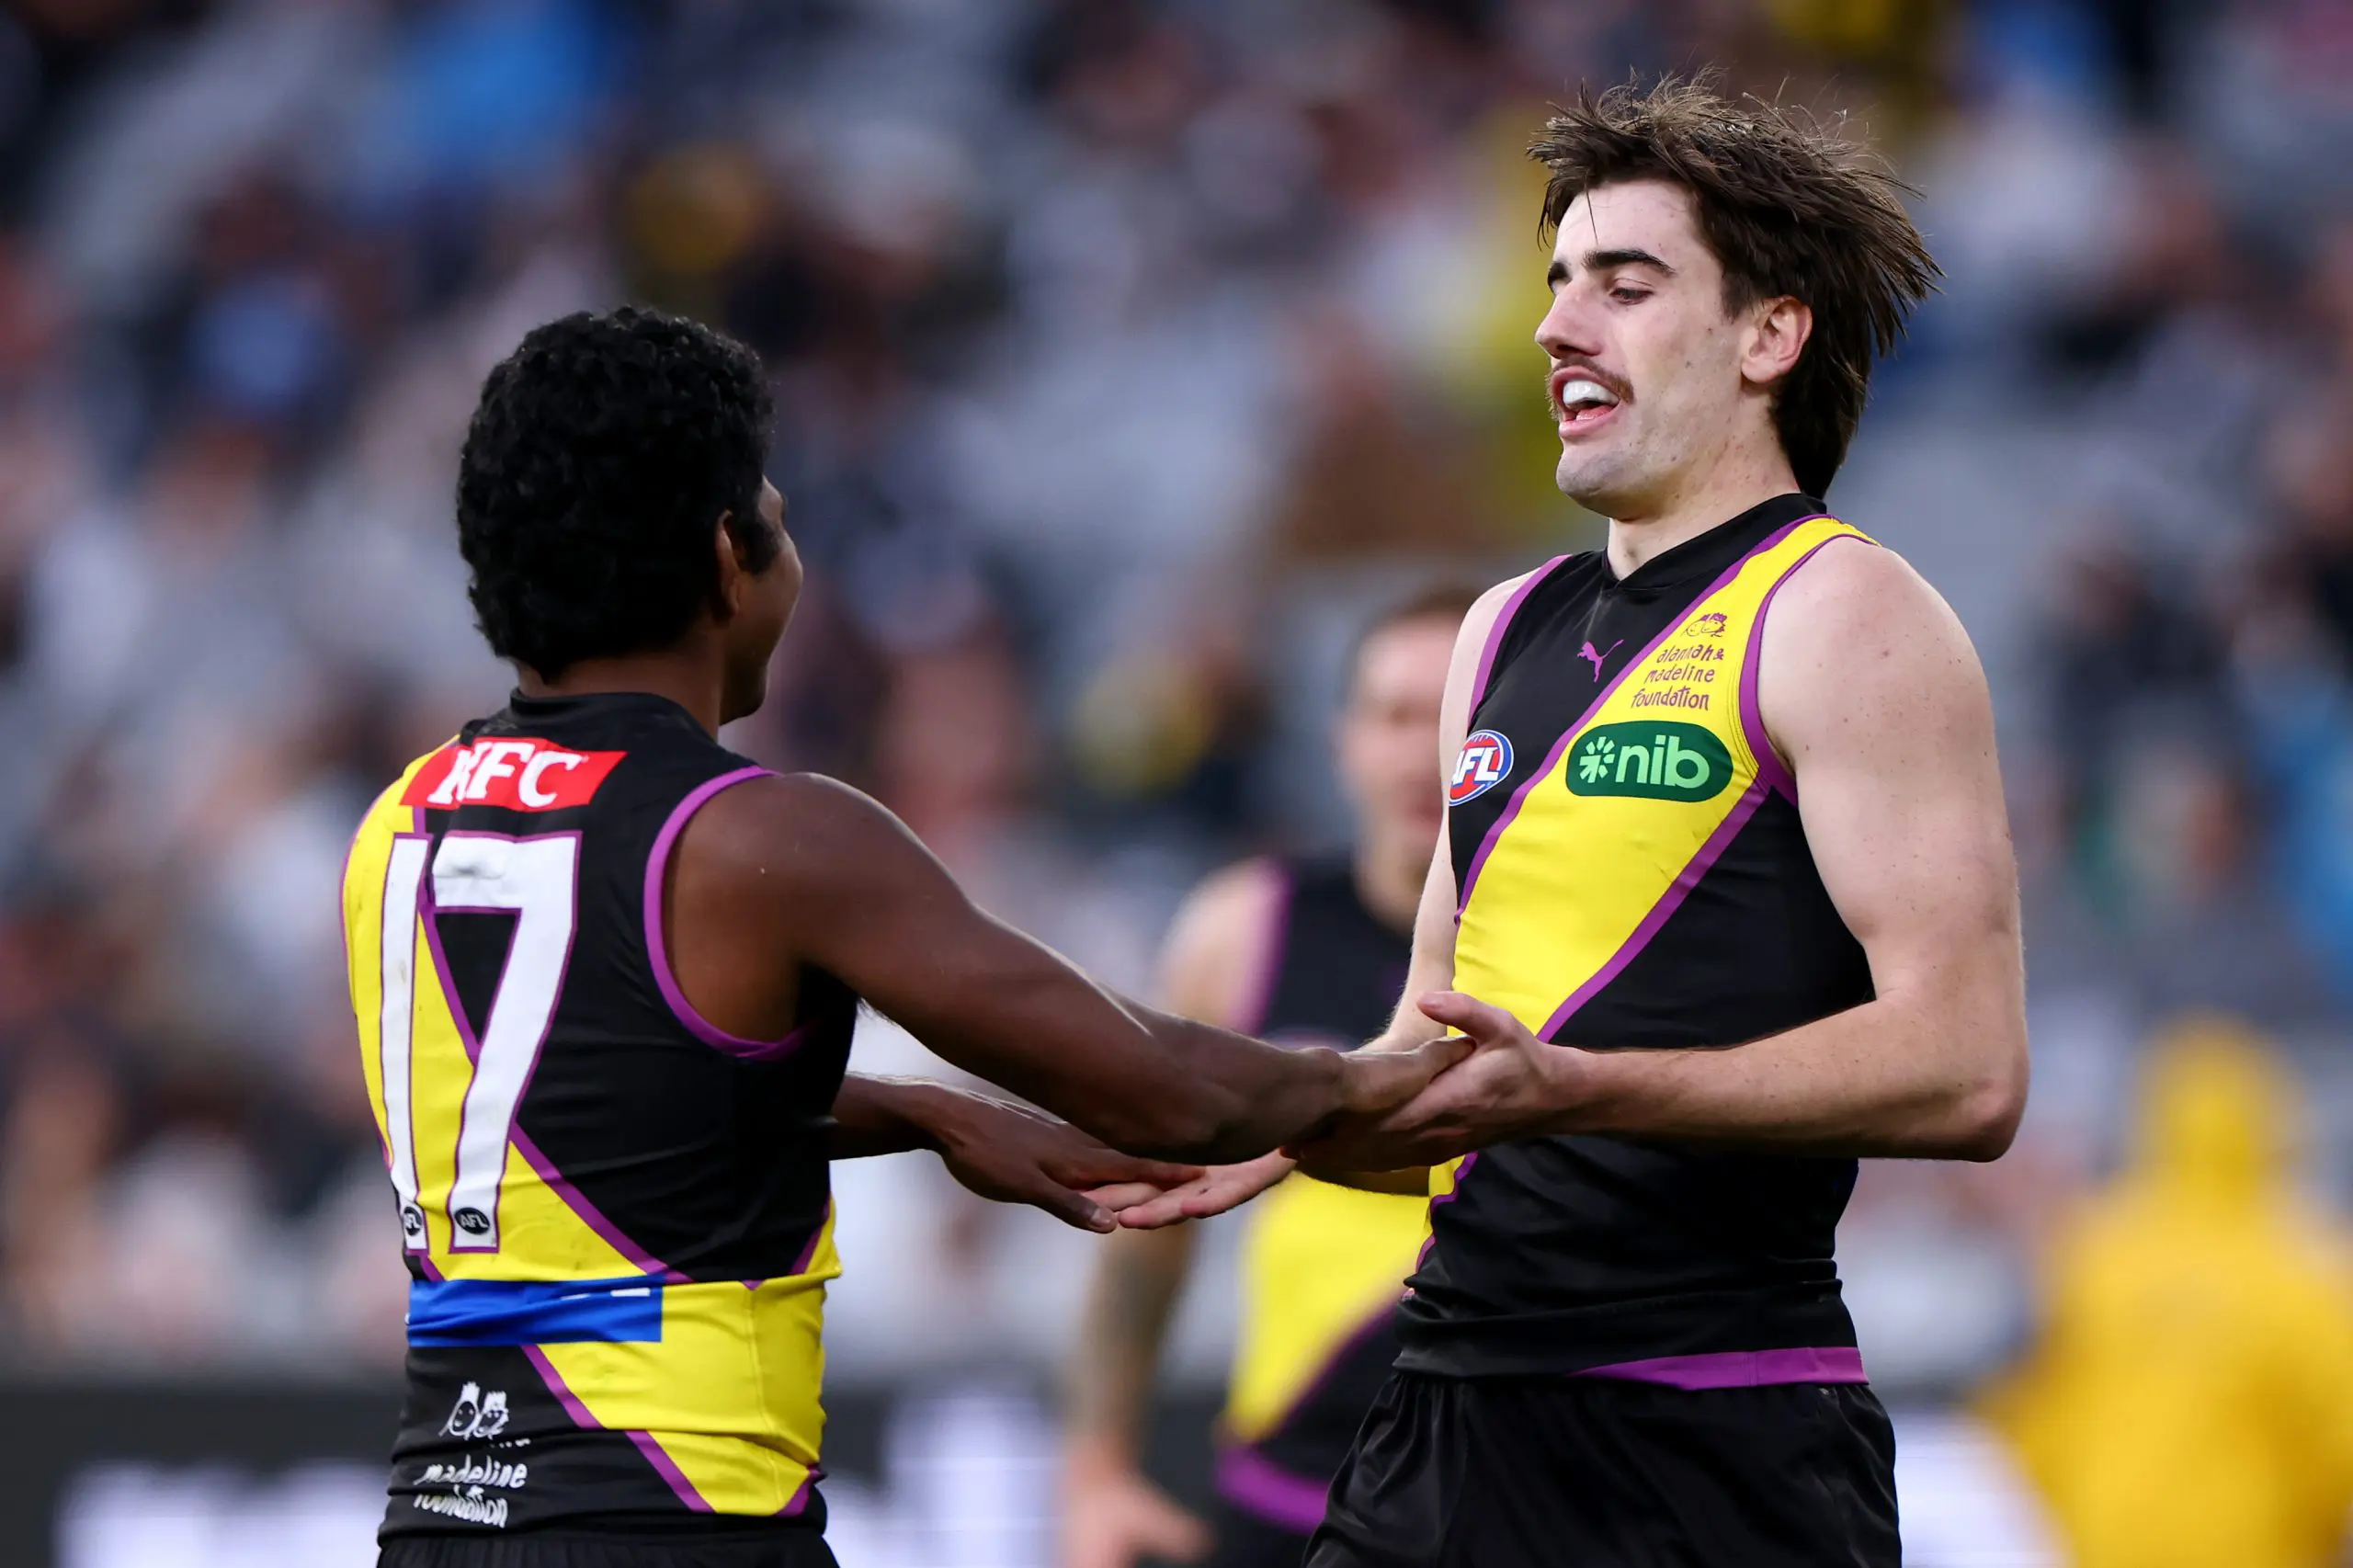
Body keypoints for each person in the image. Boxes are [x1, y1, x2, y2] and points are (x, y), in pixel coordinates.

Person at [342, 307, 1460, 1568]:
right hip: (675, 1515)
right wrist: (1366, 1082)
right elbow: (1171, 1093)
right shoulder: (764, 840)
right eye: (777, 512)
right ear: (728, 555)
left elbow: (590, 1114)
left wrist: (924, 1115)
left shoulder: (401, 818)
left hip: (440, 1516)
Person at [1120, 76, 2030, 1567]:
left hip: (1711, 1436)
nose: (1555, 328)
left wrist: (1579, 1088)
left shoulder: (1846, 612)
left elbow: (1967, 1068)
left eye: (1625, 284)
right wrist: (1274, 1123)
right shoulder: (1501, 627)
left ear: (1768, 333)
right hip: (1447, 1415)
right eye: (1555, 287)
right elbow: (1440, 1059)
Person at [1063, 586, 1474, 1568]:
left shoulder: (1585, 947)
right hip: (1293, 1500)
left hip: (1527, 1500)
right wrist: (1095, 1470)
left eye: (1456, 716)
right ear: (1342, 740)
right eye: (1394, 714)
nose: (1423, 752)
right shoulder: (1243, 928)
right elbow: (1143, 1224)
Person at [1984, 1017, 2353, 1568]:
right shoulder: (2302, 1270)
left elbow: (2033, 1409)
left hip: (2101, 1548)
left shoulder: (2094, 1249)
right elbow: (2336, 1441)